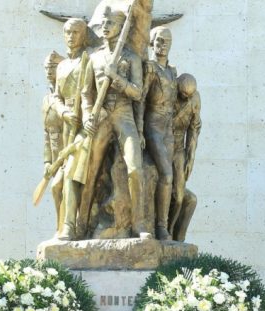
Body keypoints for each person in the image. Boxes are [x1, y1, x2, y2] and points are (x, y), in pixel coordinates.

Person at [81, 7, 147, 239]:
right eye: (104, 22)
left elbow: (138, 93)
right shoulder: (93, 57)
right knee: (90, 172)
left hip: (123, 116)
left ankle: (139, 225)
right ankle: (81, 224)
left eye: (111, 23)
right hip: (100, 118)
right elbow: (86, 93)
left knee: (135, 170)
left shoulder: (132, 58)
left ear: (121, 28)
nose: (105, 26)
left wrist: (117, 78)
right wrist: (88, 114)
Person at [51, 18, 92, 241]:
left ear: (84, 35)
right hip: (68, 122)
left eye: (76, 32)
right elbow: (56, 96)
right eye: (68, 32)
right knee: (55, 186)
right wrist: (64, 113)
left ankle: (69, 227)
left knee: (69, 175)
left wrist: (85, 118)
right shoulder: (62, 66)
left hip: (85, 127)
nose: (71, 36)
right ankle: (61, 227)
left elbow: (90, 94)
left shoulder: (90, 60)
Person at [140, 26, 177, 240]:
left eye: (167, 41)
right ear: (152, 42)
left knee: (168, 178)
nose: (163, 45)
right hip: (153, 125)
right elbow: (141, 99)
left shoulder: (172, 71)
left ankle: (162, 224)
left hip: (168, 129)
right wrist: (139, 129)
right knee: (166, 174)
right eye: (159, 40)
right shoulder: (150, 68)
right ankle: (161, 227)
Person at [169, 72, 200, 241]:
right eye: (183, 95)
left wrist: (191, 158)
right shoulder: (168, 93)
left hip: (179, 150)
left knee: (179, 197)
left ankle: (171, 231)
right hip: (161, 144)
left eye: (189, 96)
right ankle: (163, 231)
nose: (186, 99)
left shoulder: (195, 99)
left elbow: (194, 130)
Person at [42, 50, 65, 235]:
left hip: (70, 153)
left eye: (53, 67)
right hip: (56, 157)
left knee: (57, 188)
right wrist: (47, 161)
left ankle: (63, 229)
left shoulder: (66, 98)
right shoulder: (46, 100)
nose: (49, 71)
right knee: (58, 189)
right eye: (47, 68)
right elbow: (46, 133)